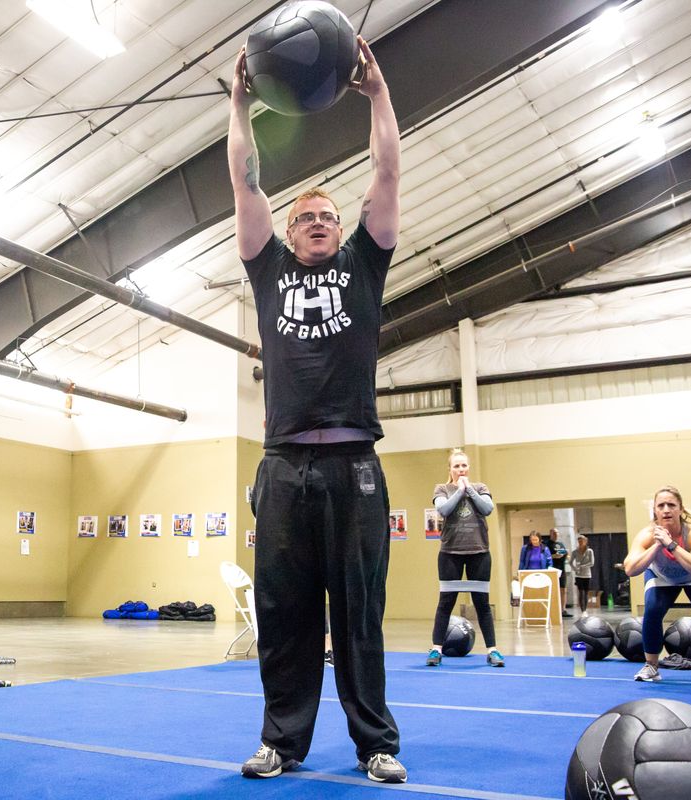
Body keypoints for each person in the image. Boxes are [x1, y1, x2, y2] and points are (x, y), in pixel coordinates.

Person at [229, 35, 405, 784]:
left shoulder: (365, 264)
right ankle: (282, 742)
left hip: (354, 466)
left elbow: (388, 172)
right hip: (283, 465)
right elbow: (245, 185)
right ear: (288, 230)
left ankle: (376, 745)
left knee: (358, 616)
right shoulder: (267, 271)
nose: (319, 222)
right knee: (285, 613)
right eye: (306, 216)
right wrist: (238, 105)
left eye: (329, 216)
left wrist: (378, 94)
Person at [622, 485, 691, 686]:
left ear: (680, 510)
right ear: (655, 510)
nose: (666, 509)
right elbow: (630, 569)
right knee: (653, 609)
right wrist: (657, 545)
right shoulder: (647, 534)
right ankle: (651, 667)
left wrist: (671, 544)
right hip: (663, 575)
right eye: (661, 505)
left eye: (671, 505)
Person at [428, 448, 503, 668]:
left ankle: (493, 651)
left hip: (479, 553)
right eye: (456, 466)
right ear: (450, 469)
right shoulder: (442, 488)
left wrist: (469, 489)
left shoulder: (480, 487)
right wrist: (459, 491)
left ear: (468, 467)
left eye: (464, 465)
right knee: (446, 603)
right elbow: (443, 510)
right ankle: (436, 649)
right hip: (450, 553)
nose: (461, 469)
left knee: (482, 604)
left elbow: (487, 508)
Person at [546, 528, 571, 616]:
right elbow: (546, 556)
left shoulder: (560, 544)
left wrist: (567, 555)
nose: (556, 535)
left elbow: (566, 554)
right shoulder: (547, 544)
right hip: (553, 569)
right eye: (554, 533)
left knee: (563, 589)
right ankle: (553, 609)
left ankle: (563, 609)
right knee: (553, 589)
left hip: (562, 568)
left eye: (557, 533)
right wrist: (554, 556)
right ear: (550, 534)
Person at [569, 534, 596, 614]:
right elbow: (570, 562)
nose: (580, 542)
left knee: (586, 592)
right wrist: (575, 569)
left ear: (586, 541)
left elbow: (592, 563)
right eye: (579, 541)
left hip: (587, 574)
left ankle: (585, 609)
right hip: (578, 575)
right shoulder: (575, 552)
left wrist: (582, 566)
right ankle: (583, 610)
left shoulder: (590, 551)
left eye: (582, 541)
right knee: (581, 592)